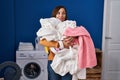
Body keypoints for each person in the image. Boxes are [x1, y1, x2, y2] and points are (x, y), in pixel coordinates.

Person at [39, 5, 76, 80]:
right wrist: (60, 44)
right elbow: (42, 41)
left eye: (63, 13)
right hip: (53, 59)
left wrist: (73, 37)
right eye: (58, 13)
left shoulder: (69, 26)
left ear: (66, 15)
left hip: (67, 60)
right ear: (55, 15)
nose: (61, 15)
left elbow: (76, 41)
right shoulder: (49, 26)